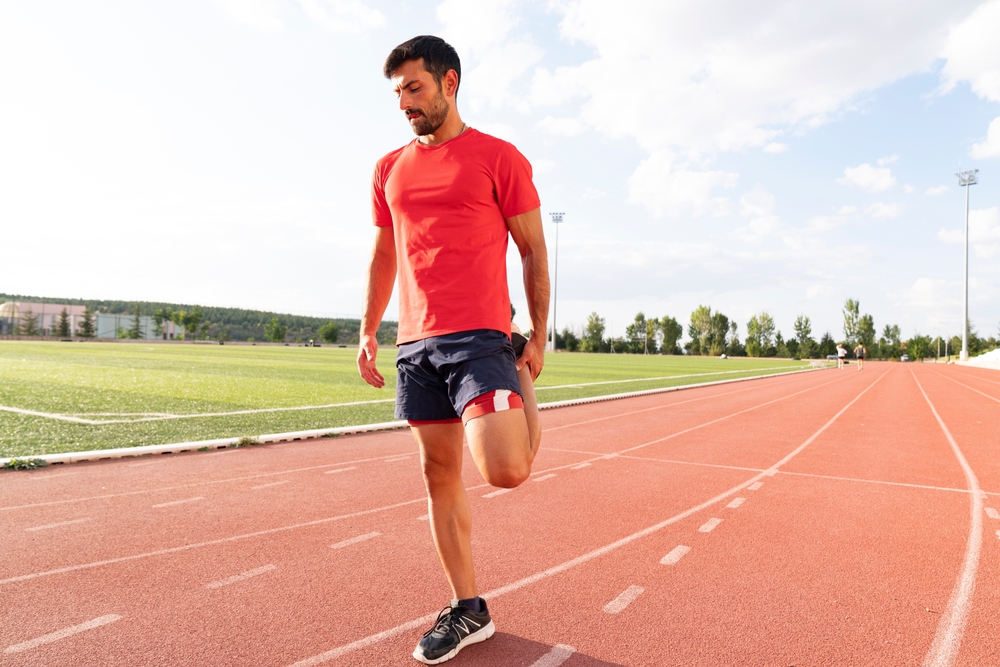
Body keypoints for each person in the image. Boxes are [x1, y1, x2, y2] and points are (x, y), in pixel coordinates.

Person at [356, 35, 550, 665]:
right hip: (416, 343)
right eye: (398, 93)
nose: (405, 102)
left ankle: (522, 381)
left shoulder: (499, 158)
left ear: (450, 83)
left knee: (507, 471)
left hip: (480, 339)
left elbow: (532, 250)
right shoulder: (389, 168)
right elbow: (385, 254)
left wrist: (538, 335)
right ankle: (468, 608)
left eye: (414, 88)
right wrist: (368, 330)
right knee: (438, 475)